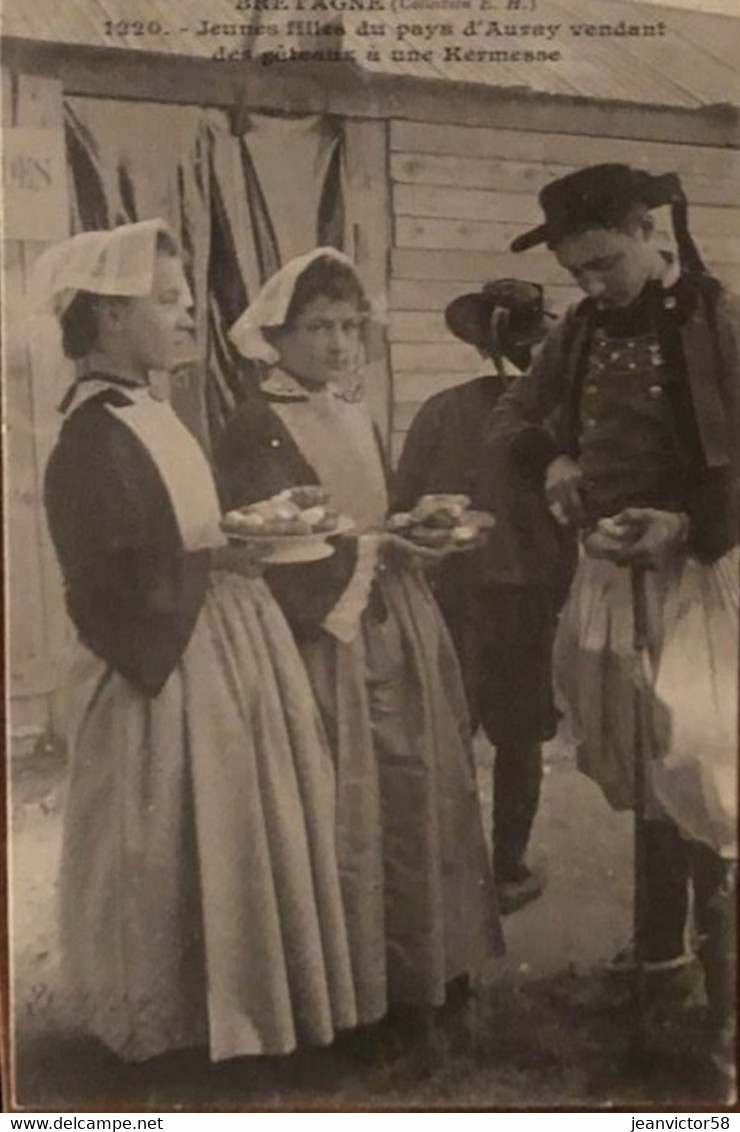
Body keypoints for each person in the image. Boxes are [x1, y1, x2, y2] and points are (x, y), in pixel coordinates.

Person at [37, 220, 360, 1062]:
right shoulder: (89, 437)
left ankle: (240, 1013)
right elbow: (104, 584)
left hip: (220, 641)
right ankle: (172, 1029)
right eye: (170, 302)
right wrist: (220, 558)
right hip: (165, 668)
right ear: (110, 319)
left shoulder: (153, 412)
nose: (189, 318)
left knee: (237, 829)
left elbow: (192, 529)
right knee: (171, 840)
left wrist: (236, 549)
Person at [486, 164, 738, 1088]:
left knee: (709, 784)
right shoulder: (585, 332)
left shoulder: (714, 320)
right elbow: (515, 412)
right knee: (644, 773)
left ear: (646, 232)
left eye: (603, 263)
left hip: (703, 584)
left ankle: (726, 1020)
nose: (592, 285)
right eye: (578, 271)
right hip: (611, 582)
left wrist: (688, 523)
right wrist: (551, 456)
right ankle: (659, 968)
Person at [216, 248, 503, 1058]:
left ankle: (424, 973)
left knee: (418, 789)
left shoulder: (353, 409)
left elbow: (374, 511)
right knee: (345, 801)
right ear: (277, 334)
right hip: (322, 639)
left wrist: (416, 529)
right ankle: (353, 997)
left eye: (349, 326)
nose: (339, 344)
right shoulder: (255, 423)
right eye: (318, 328)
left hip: (394, 619)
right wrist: (375, 549)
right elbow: (274, 544)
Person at [393, 279, 576, 914]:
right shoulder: (556, 426)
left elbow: (403, 503)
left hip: (449, 595)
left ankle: (448, 873)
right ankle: (507, 867)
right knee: (520, 737)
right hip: (524, 601)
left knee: (449, 731)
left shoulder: (441, 410)